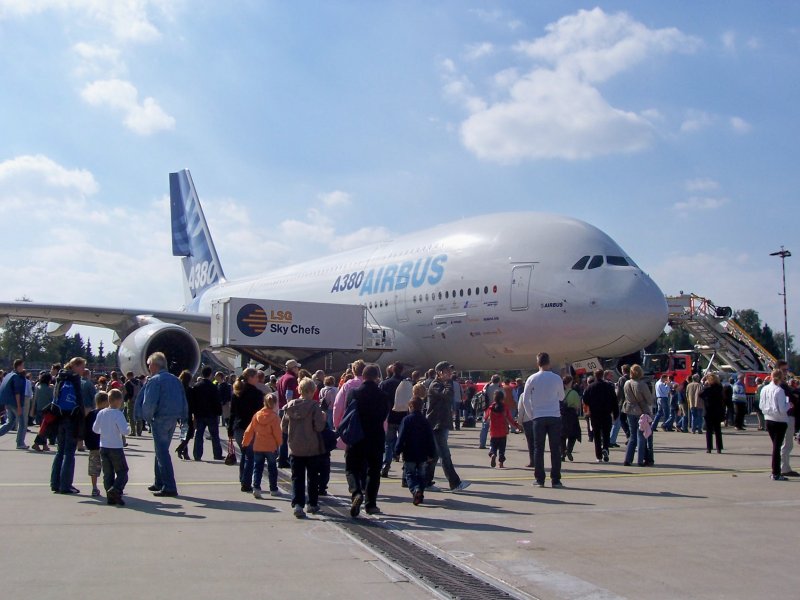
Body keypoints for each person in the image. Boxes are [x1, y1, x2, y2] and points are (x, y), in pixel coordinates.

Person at [345, 364, 392, 516]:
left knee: (352, 468)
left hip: (357, 435)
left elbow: (349, 412)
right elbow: (384, 415)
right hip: (376, 436)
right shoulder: (383, 395)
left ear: (363, 377)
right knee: (373, 471)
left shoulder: (354, 393)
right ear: (377, 377)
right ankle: (371, 504)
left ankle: (356, 492)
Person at [141, 352, 188, 497]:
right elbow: (183, 399)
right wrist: (184, 418)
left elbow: (149, 403)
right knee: (161, 450)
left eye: (149, 365)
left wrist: (146, 418)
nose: (149, 368)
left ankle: (169, 486)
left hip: (160, 419)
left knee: (162, 452)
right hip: (173, 419)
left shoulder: (155, 380)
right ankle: (159, 481)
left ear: (154, 365)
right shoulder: (175, 379)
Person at [282, 377, 327, 518]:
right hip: (312, 447)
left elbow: (283, 427)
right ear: (313, 391)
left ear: (299, 390)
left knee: (297, 477)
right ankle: (312, 503)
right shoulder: (314, 407)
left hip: (295, 447)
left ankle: (298, 504)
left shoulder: (290, 406)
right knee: (312, 477)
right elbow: (319, 427)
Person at [425, 361, 471, 493]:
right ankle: (454, 483)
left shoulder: (443, 384)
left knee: (434, 456)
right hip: (436, 424)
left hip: (441, 423)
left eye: (450, 371)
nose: (450, 373)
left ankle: (426, 482)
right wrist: (449, 382)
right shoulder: (436, 385)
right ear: (439, 373)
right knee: (445, 455)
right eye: (447, 371)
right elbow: (448, 396)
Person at [520, 352, 565, 487]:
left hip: (538, 417)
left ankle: (540, 479)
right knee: (555, 449)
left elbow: (525, 399)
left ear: (537, 363)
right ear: (548, 363)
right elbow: (562, 397)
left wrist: (531, 414)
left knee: (538, 449)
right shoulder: (556, 378)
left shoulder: (532, 379)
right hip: (554, 416)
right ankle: (556, 479)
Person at [394, 390, 437, 506]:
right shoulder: (425, 421)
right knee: (422, 475)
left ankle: (415, 490)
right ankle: (420, 492)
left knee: (409, 474)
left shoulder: (406, 420)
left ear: (411, 407)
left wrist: (397, 451)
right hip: (422, 454)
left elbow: (401, 437)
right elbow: (430, 438)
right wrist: (432, 453)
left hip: (409, 453)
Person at [50, 358, 86, 494]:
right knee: (69, 453)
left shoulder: (61, 377)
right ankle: (66, 484)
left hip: (59, 417)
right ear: (74, 366)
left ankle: (55, 483)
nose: (83, 370)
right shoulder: (74, 379)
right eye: (81, 367)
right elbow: (79, 401)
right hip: (71, 417)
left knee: (60, 451)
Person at [93, 388, 131, 505]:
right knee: (122, 471)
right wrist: (128, 428)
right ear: (117, 401)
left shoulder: (101, 413)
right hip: (115, 447)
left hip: (103, 446)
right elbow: (125, 431)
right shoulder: (118, 414)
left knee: (108, 473)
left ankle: (110, 496)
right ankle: (115, 490)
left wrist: (104, 431)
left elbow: (95, 429)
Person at [229, 368, 264, 492]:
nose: (257, 379)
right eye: (256, 377)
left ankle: (242, 478)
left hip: (239, 427)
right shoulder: (257, 394)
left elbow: (232, 412)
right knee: (250, 456)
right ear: (251, 378)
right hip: (251, 427)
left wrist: (230, 429)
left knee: (244, 454)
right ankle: (246, 482)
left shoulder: (237, 392)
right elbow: (260, 413)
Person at [243, 393, 282, 498]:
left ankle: (256, 488)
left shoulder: (257, 415)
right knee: (272, 468)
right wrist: (280, 444)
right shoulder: (275, 418)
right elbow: (277, 433)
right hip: (271, 446)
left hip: (258, 445)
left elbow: (249, 430)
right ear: (274, 404)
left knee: (258, 467)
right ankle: (273, 488)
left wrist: (245, 442)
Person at [582, 369, 619, 463]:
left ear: (595, 376)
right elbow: (614, 400)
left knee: (597, 435)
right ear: (602, 375)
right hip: (606, 413)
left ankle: (599, 456)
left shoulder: (590, 387)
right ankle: (605, 448)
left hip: (595, 414)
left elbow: (585, 400)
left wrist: (588, 409)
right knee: (606, 433)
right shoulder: (609, 386)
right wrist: (615, 413)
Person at [760, 369, 790, 481]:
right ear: (781, 378)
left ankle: (775, 471)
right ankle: (776, 472)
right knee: (777, 448)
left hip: (768, 419)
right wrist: (789, 405)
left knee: (775, 446)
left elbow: (761, 405)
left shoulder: (764, 389)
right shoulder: (779, 390)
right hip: (779, 420)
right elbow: (782, 409)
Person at [622, 364, 654, 467]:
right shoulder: (642, 384)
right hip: (641, 411)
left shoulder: (627, 383)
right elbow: (649, 400)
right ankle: (640, 460)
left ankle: (628, 459)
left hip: (629, 410)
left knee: (632, 436)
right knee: (641, 436)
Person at [379, 362, 406, 478]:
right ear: (402, 370)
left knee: (388, 443)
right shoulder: (406, 383)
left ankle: (386, 465)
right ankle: (406, 469)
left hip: (390, 416)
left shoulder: (385, 384)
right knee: (405, 443)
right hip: (404, 416)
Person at [191, 366, 224, 461]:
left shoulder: (197, 386)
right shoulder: (213, 387)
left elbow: (193, 401)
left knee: (199, 435)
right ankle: (217, 454)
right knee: (215, 436)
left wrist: (194, 413)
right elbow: (217, 401)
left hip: (200, 414)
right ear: (210, 375)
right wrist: (218, 412)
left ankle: (197, 455)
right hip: (211, 414)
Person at [276, 359, 302, 467]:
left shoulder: (281, 378)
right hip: (289, 410)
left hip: (281, 409)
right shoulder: (291, 379)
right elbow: (289, 394)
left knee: (283, 436)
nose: (298, 369)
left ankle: (281, 457)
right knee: (292, 436)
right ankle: (286, 459)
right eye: (296, 367)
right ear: (293, 368)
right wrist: (291, 407)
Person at [485, 389, 519, 468]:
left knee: (493, 445)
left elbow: (485, 418)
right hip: (503, 431)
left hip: (493, 431)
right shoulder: (505, 407)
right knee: (502, 448)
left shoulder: (491, 408)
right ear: (502, 398)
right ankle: (501, 463)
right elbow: (510, 419)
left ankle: (493, 454)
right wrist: (517, 425)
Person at [0, 359, 29, 449]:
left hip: (8, 403)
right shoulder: (17, 377)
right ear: (18, 366)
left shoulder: (9, 375)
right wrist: (19, 406)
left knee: (10, 423)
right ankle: (20, 443)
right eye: (22, 366)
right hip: (15, 403)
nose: (23, 368)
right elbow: (17, 392)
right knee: (22, 423)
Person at [776, 360, 798, 477]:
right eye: (784, 370)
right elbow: (791, 399)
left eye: (787, 370)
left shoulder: (777, 384)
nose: (786, 372)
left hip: (779, 416)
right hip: (786, 415)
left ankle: (783, 467)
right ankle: (784, 468)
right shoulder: (782, 385)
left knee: (784, 443)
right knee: (786, 443)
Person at [85, 391, 106, 498]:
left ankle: (94, 487)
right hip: (106, 445)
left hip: (93, 445)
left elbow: (87, 430)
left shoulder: (91, 414)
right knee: (108, 467)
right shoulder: (106, 414)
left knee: (94, 468)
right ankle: (110, 487)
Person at [699, 373, 725, 454]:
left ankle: (709, 448)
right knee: (718, 430)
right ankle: (719, 448)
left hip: (708, 411)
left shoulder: (707, 389)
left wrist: (704, 384)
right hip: (717, 411)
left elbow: (700, 394)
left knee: (709, 431)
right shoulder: (720, 388)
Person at [560, 375, 582, 462]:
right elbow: (577, 407)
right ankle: (569, 450)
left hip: (562, 416)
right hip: (572, 416)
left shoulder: (560, 392)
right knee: (572, 435)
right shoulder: (574, 393)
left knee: (562, 436)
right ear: (570, 383)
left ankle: (562, 453)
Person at [174, 370, 194, 461]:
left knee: (184, 432)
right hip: (188, 413)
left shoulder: (178, 389)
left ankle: (184, 452)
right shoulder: (190, 390)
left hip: (179, 413)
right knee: (190, 433)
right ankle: (181, 448)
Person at [609, 364, 631, 447]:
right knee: (627, 421)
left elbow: (619, 392)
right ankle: (629, 436)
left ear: (623, 370)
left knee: (619, 421)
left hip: (622, 403)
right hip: (631, 403)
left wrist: (616, 402)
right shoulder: (632, 378)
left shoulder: (622, 379)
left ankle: (612, 440)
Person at [479, 375, 502, 449]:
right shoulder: (500, 388)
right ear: (498, 380)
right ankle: (494, 445)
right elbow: (504, 397)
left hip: (487, 409)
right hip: (497, 410)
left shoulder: (487, 387)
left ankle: (482, 444)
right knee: (496, 428)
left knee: (484, 428)